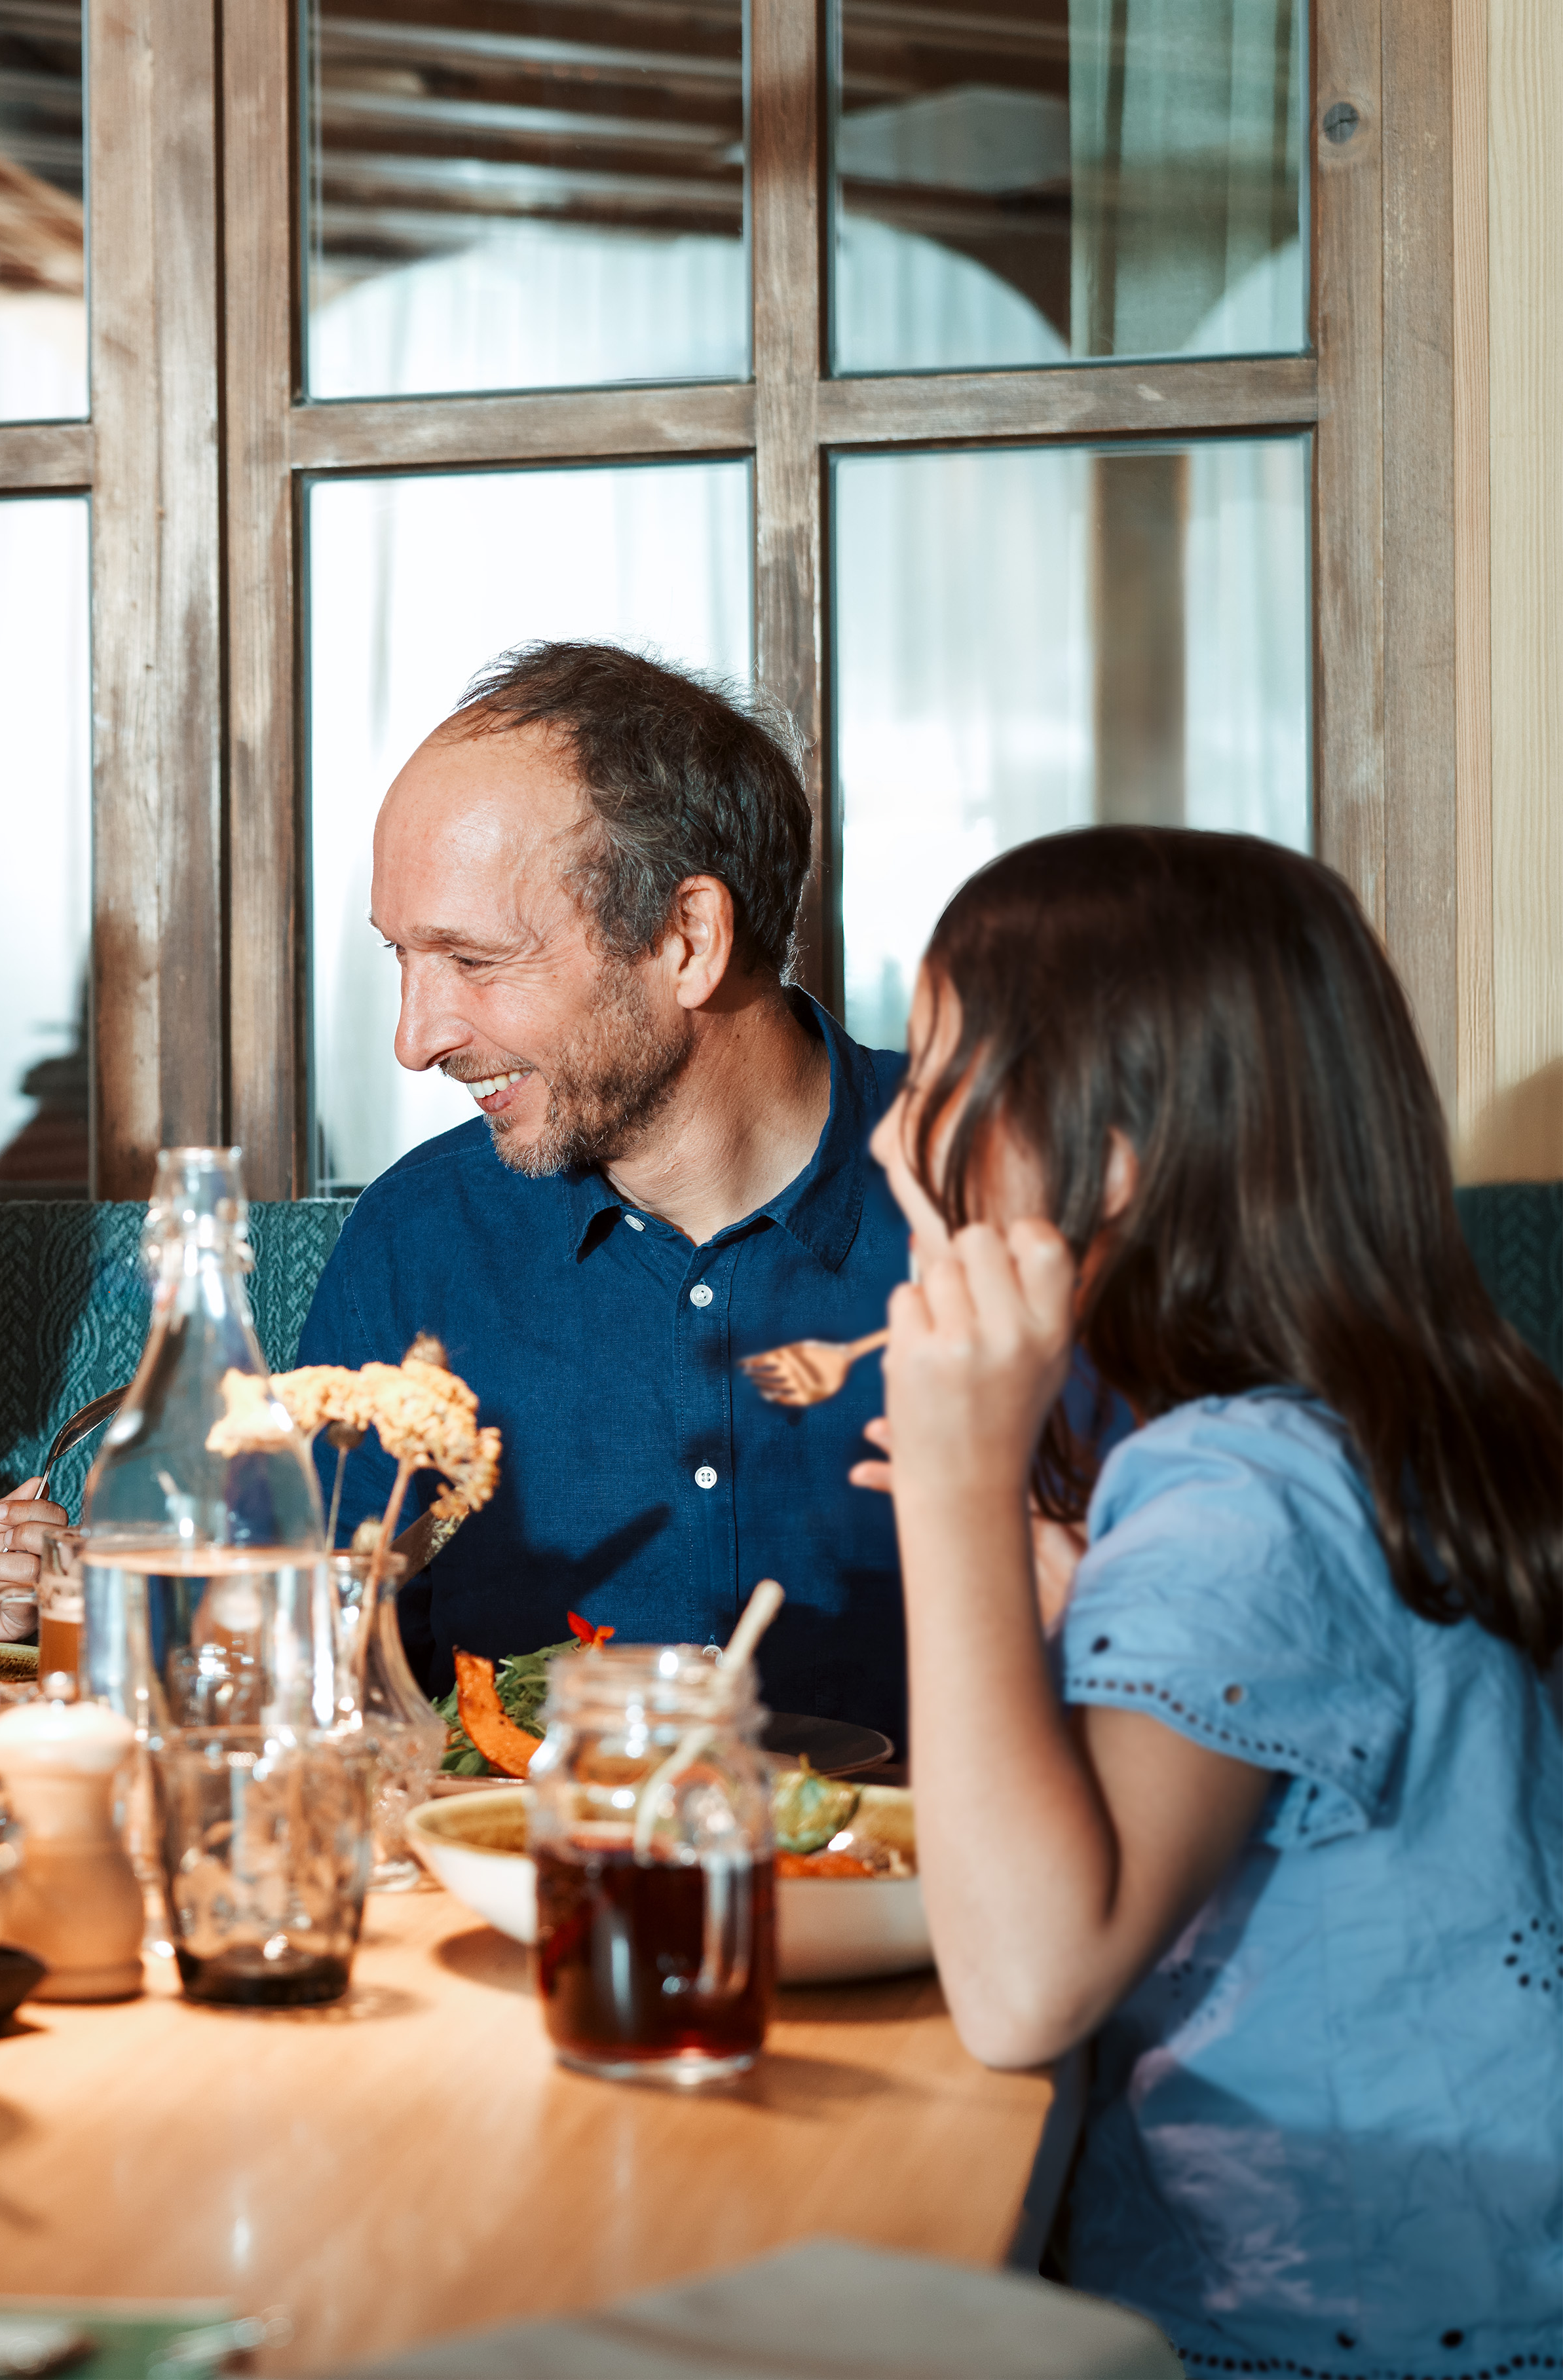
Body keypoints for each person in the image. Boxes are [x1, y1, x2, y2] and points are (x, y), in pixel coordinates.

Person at [858, 827, 1563, 2370]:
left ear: (1116, 1154)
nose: (891, 1144)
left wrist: (957, 1490)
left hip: (1302, 2339)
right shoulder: (1379, 1431)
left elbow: (1027, 1981)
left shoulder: (1233, 1489)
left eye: (935, 1076)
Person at [295, 641, 913, 1736]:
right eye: (401, 956)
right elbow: (300, 1679)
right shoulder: (417, 1242)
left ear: (686, 939)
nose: (415, 1037)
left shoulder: (1004, 1203)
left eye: (474, 962)